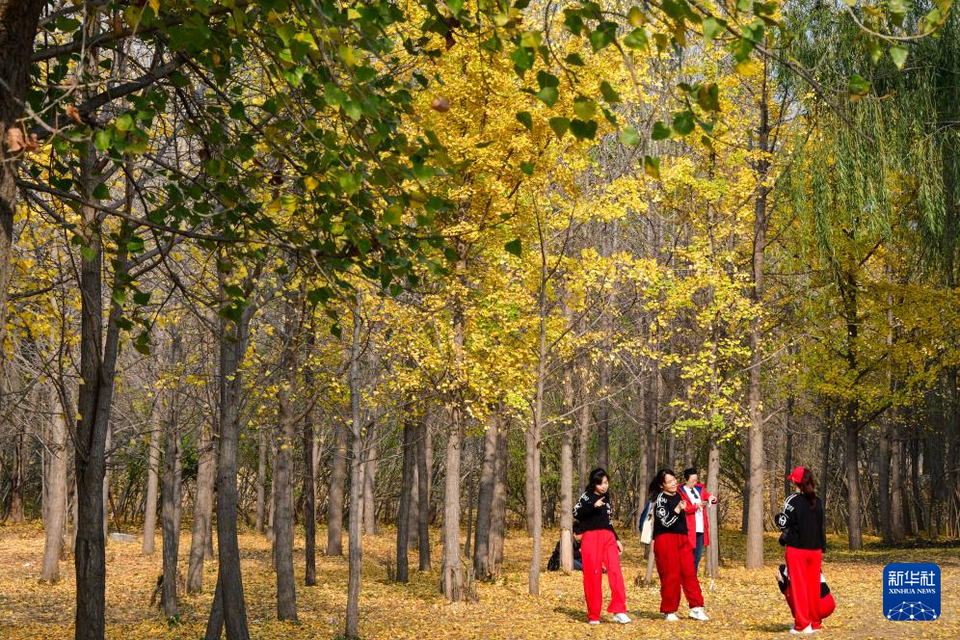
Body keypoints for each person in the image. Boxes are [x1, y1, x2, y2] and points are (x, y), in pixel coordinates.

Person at [572, 467, 631, 625]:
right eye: (600, 483)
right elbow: (576, 513)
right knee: (593, 575)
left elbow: (608, 521)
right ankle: (594, 615)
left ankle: (619, 610)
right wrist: (593, 506)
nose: (604, 486)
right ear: (594, 484)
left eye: (606, 483)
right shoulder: (587, 496)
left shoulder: (607, 498)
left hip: (608, 537)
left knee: (615, 571)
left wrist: (617, 538)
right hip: (591, 537)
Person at [649, 468, 708, 622]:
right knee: (671, 574)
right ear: (662, 485)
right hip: (665, 539)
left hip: (682, 538)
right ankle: (669, 610)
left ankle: (696, 607)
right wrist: (676, 510)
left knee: (689, 572)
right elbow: (665, 522)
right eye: (669, 482)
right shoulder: (661, 499)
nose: (674, 483)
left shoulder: (680, 495)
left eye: (674, 479)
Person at [777, 466, 827, 634]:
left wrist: (778, 517)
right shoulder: (817, 501)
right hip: (815, 550)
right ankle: (815, 623)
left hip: (797, 550)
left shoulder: (792, 500)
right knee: (813, 588)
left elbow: (783, 523)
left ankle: (802, 625)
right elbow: (820, 526)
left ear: (795, 482)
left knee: (799, 588)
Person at [679, 467, 718, 573]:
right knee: (688, 557)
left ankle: (692, 580)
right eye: (693, 481)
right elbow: (684, 509)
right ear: (686, 480)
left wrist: (712, 498)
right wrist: (695, 506)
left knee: (697, 558)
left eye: (696, 480)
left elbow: (708, 496)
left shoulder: (699, 489)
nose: (695, 483)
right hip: (688, 529)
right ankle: (685, 579)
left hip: (700, 528)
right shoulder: (680, 492)